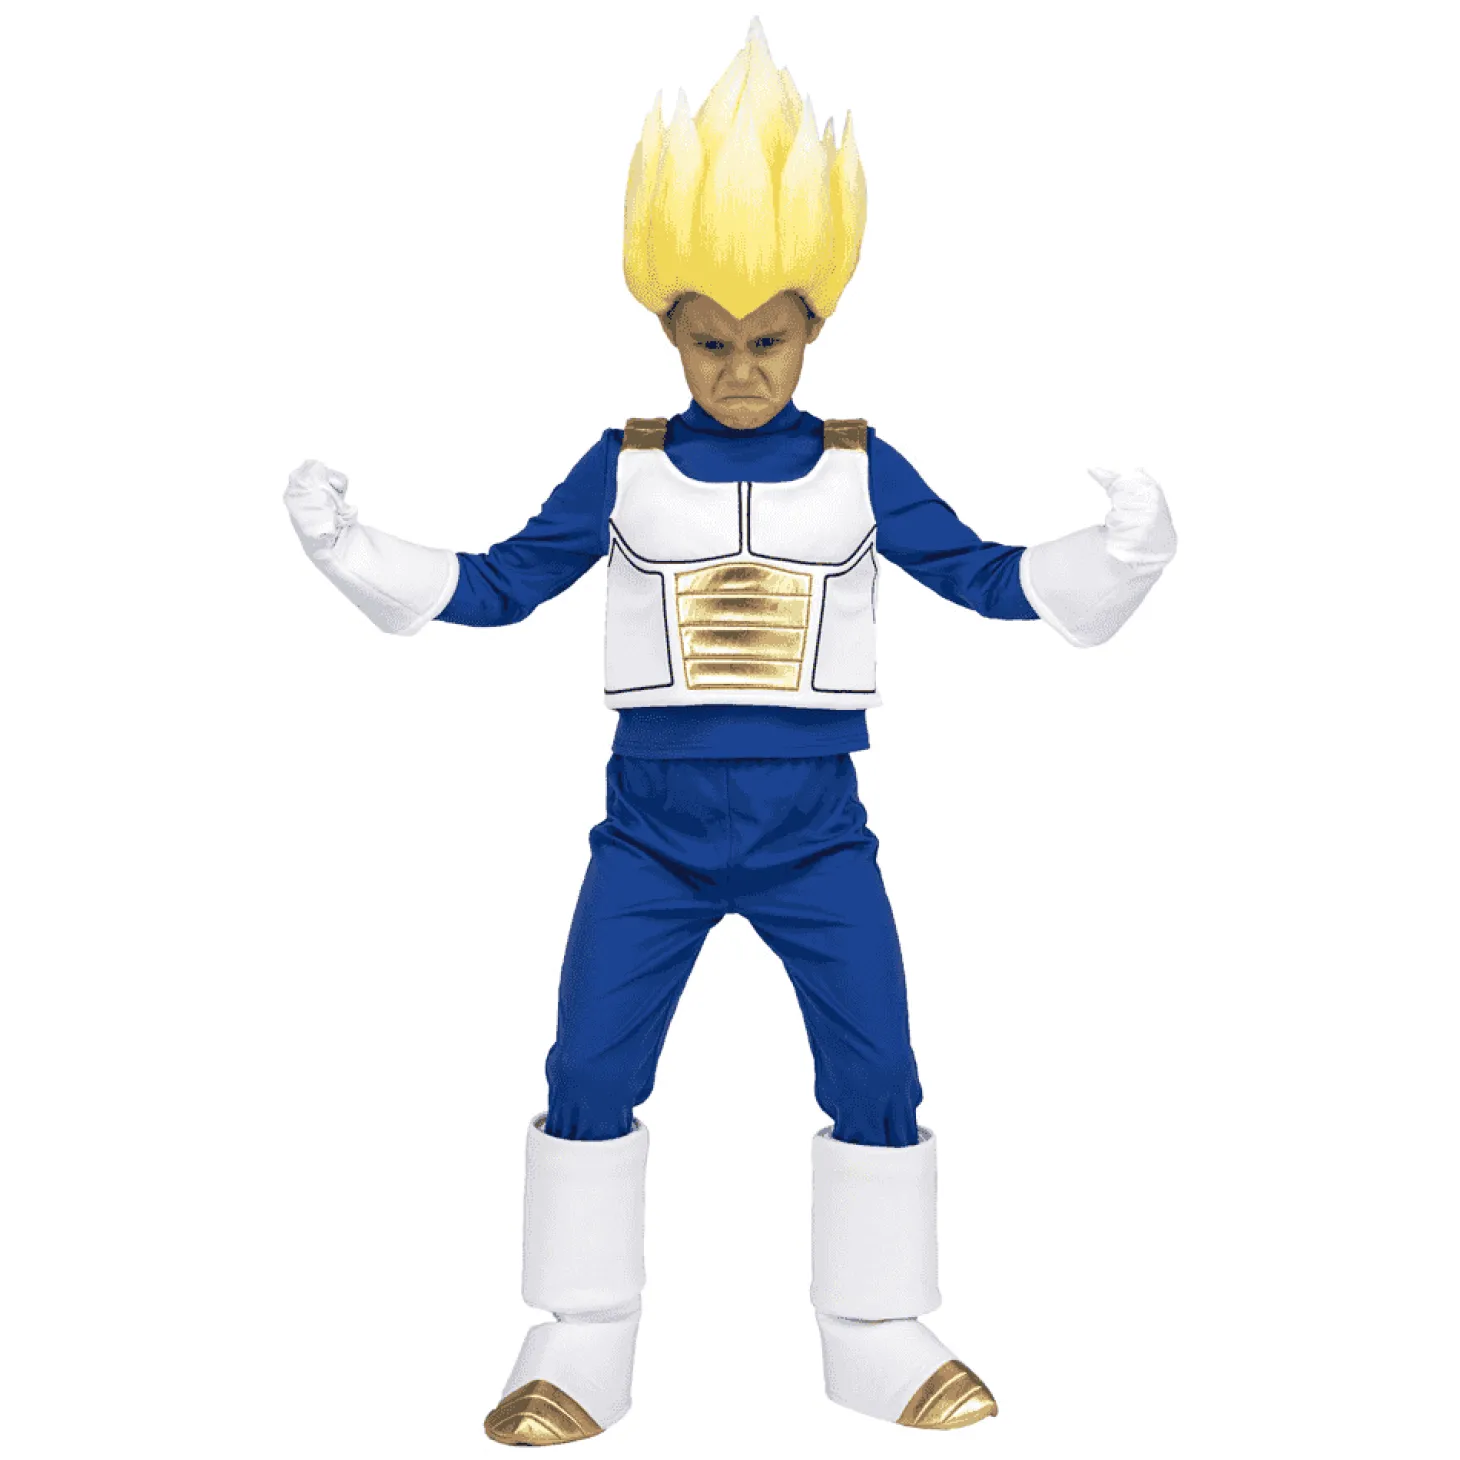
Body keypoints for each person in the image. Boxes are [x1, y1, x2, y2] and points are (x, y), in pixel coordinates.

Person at [283, 21, 1177, 1445]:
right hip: (649, 832)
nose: (742, 370)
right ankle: (581, 1335)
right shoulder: (624, 464)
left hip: (819, 833)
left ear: (814, 331)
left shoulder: (861, 467)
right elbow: (503, 583)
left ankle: (877, 1332)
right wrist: (352, 548)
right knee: (589, 1068)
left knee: (877, 1066)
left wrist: (1120, 552)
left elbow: (985, 577)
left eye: (769, 341)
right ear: (669, 332)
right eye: (712, 341)